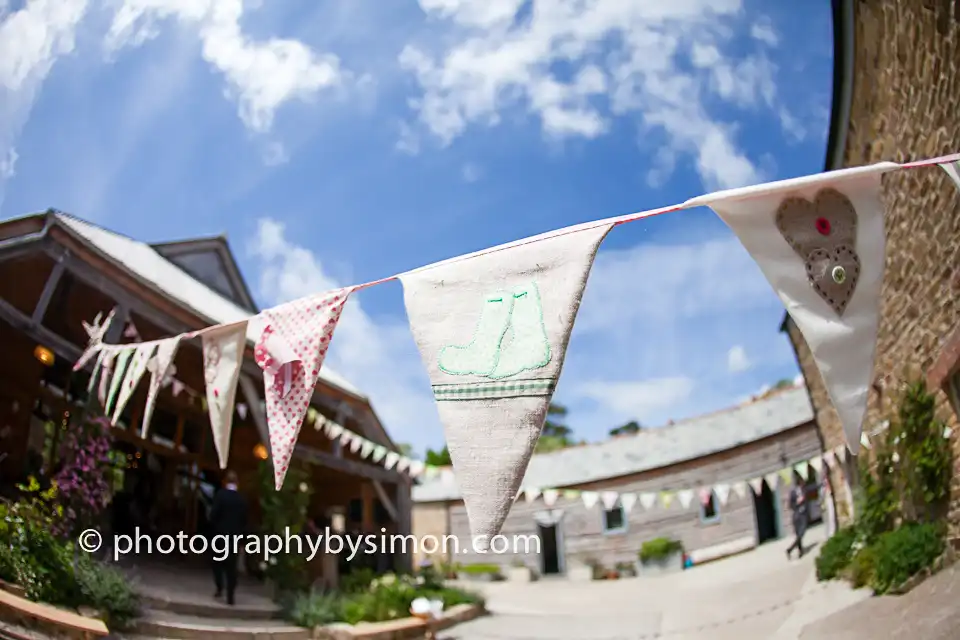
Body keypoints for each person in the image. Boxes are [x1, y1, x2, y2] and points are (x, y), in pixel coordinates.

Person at [209, 470, 248, 605]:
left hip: (220, 535)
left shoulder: (220, 495)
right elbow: (244, 522)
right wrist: (244, 539)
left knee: (217, 563)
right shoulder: (241, 500)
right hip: (235, 537)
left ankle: (219, 587)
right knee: (232, 567)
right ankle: (231, 596)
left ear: (225, 482)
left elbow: (213, 515)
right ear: (237, 483)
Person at [786, 474, 809, 560]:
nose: (803, 483)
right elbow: (790, 505)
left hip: (803, 514)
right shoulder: (793, 492)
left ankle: (790, 549)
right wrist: (797, 502)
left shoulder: (804, 490)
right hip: (796, 515)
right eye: (802, 481)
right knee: (798, 535)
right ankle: (799, 551)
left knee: (801, 533)